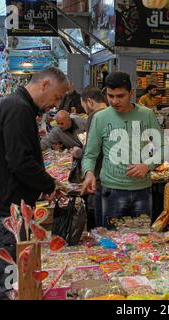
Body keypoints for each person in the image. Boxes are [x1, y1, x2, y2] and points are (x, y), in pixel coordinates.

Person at [0, 67, 69, 300]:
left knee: (13, 272)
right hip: (3, 208)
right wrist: (49, 186)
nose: (55, 105)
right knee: (9, 277)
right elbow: (20, 161)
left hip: (8, 206)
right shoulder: (18, 108)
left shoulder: (19, 106)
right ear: (44, 84)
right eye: (57, 97)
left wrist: (45, 184)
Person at [81, 72, 163, 228]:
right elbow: (90, 155)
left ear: (131, 93)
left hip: (142, 192)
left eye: (120, 96)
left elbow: (163, 148)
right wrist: (89, 173)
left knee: (142, 245)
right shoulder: (100, 118)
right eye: (110, 96)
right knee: (111, 245)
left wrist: (148, 165)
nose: (114, 101)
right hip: (111, 192)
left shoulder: (147, 115)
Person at [74, 87, 108, 228]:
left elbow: (91, 151)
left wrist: (78, 153)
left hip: (98, 177)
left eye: (84, 107)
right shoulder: (114, 114)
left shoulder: (95, 116)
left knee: (98, 224)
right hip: (113, 178)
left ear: (89, 102)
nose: (85, 111)